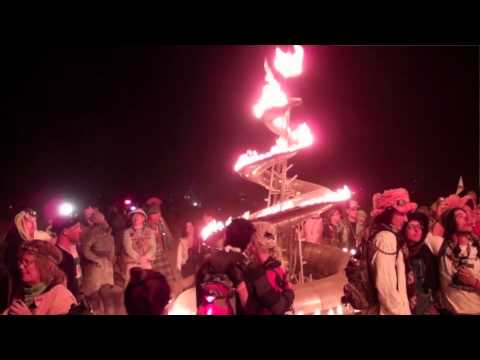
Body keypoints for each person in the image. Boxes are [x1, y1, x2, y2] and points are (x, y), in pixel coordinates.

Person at [367, 188, 417, 315]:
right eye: (401, 214)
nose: (406, 219)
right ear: (388, 213)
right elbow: (386, 288)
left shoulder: (387, 235)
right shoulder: (386, 238)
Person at [195, 218, 255, 315]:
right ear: (248, 242)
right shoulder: (245, 265)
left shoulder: (206, 262)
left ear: (226, 235)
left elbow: (199, 302)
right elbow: (248, 306)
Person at [3, 241, 77, 315]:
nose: (21, 266)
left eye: (27, 262)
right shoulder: (24, 291)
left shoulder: (61, 297)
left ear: (45, 266)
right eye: (20, 261)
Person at [244, 222, 294, 315]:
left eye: (250, 241)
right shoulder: (276, 266)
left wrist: (290, 293)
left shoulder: (266, 273)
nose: (248, 246)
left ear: (256, 244)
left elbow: (277, 309)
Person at [437, 207, 480, 314]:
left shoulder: (478, 249)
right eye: (460, 216)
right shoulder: (440, 247)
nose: (466, 218)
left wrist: (474, 282)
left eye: (467, 216)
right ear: (450, 223)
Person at [401, 212, 439, 314]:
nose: (417, 230)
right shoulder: (398, 252)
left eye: (419, 227)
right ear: (403, 229)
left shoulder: (425, 251)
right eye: (411, 227)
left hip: (425, 307)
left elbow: (433, 283)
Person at [80, 209, 115, 297]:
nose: (104, 222)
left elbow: (112, 246)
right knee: (95, 290)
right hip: (95, 265)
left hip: (107, 264)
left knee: (108, 290)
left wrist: (111, 258)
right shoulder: (91, 233)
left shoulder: (108, 232)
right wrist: (96, 259)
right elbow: (85, 249)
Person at [144, 197, 176, 289]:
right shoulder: (145, 225)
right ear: (150, 215)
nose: (159, 216)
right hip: (150, 255)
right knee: (153, 277)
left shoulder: (160, 223)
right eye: (156, 214)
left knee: (165, 276)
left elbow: (166, 235)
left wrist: (165, 244)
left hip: (160, 252)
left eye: (159, 214)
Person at [118, 208, 156, 287]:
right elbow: (128, 248)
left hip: (146, 263)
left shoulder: (150, 231)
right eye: (133, 216)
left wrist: (145, 257)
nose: (136, 218)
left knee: (148, 286)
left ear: (143, 218)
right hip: (132, 263)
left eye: (138, 216)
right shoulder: (127, 232)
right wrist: (139, 258)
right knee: (131, 287)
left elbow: (153, 247)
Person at [52, 215, 83, 299]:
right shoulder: (58, 257)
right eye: (77, 227)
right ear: (65, 231)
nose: (80, 230)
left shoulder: (76, 250)